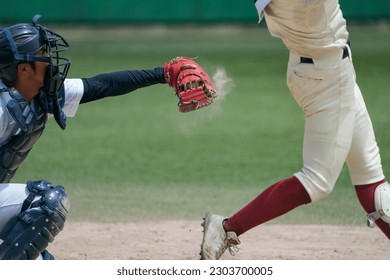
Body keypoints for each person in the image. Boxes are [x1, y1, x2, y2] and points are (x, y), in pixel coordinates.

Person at [0, 15, 215, 260]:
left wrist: (163, 73)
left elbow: (101, 85)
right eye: (43, 56)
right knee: (47, 202)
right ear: (24, 69)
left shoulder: (36, 96)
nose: (50, 62)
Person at [200, 0, 390, 260]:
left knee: (369, 176)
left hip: (317, 70)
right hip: (328, 77)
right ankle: (226, 228)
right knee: (317, 181)